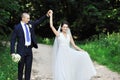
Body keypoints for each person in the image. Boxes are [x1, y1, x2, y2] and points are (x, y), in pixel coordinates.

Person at [49, 10, 96, 80]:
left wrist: (82, 51)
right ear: (61, 27)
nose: (65, 28)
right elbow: (51, 26)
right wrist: (51, 15)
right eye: (64, 27)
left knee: (68, 68)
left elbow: (74, 45)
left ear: (68, 28)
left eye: (66, 27)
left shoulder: (69, 36)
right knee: (62, 69)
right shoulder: (59, 35)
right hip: (61, 54)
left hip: (68, 53)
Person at [10, 10, 51, 80]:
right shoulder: (17, 27)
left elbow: (38, 21)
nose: (29, 20)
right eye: (27, 18)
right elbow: (13, 40)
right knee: (20, 68)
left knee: (28, 68)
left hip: (29, 50)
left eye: (29, 18)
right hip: (21, 50)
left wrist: (46, 15)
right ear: (23, 18)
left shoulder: (30, 24)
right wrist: (13, 52)